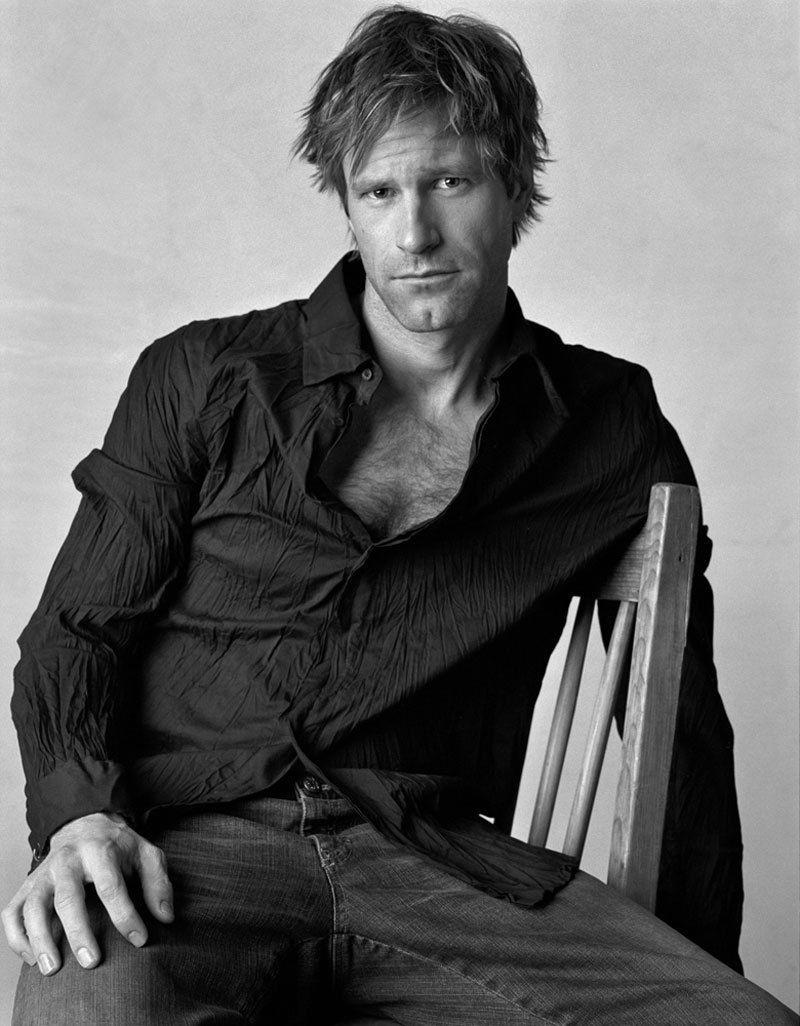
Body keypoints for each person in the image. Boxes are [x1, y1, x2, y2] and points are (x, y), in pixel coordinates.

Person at [3, 6, 797, 1024]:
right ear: (346, 204)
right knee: (91, 1006)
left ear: (516, 185)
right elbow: (76, 633)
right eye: (379, 191)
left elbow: (682, 730)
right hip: (191, 851)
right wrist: (79, 821)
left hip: (442, 864)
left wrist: (695, 959)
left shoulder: (606, 423)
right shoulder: (203, 376)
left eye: (449, 183)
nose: (413, 233)